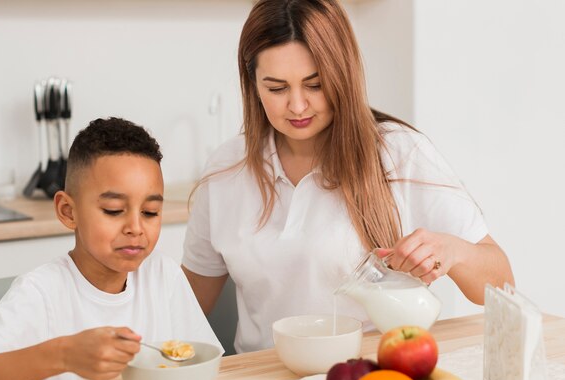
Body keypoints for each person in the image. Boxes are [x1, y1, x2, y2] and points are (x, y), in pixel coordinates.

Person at [181, 0, 515, 353]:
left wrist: (453, 250)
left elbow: (501, 281)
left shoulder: (399, 154)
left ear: (343, 75)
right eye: (276, 88)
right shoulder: (226, 168)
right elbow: (185, 309)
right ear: (253, 84)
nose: (296, 105)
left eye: (315, 84)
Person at [0, 117, 222, 380]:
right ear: (68, 211)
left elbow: (206, 364)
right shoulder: (41, 293)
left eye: (150, 212)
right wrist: (62, 355)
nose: (136, 228)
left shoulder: (163, 277)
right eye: (114, 210)